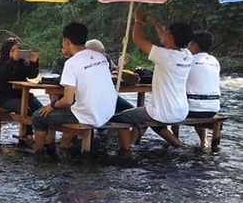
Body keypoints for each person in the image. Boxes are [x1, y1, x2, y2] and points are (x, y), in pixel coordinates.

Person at [112, 13, 194, 151]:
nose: (164, 35)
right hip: (181, 110)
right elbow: (165, 38)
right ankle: (134, 143)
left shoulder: (166, 56)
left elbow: (137, 40)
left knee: (120, 118)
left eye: (167, 33)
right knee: (147, 116)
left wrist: (138, 20)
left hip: (163, 112)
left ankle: (125, 151)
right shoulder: (187, 55)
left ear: (172, 37)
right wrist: (156, 24)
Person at [32, 22, 117, 154]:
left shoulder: (71, 63)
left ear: (66, 40)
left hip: (89, 114)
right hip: (108, 110)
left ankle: (39, 156)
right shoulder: (101, 57)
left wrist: (52, 105)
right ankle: (52, 143)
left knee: (38, 117)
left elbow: (67, 101)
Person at [0, 38, 41, 133]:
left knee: (41, 111)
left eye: (17, 50)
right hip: (6, 97)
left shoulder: (22, 62)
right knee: (26, 111)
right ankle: (27, 135)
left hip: (24, 95)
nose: (15, 53)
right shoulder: (0, 63)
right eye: (12, 50)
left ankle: (44, 136)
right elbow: (2, 75)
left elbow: (32, 75)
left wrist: (34, 63)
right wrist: (12, 60)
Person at [185, 31, 220, 148]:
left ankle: (176, 143)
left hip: (192, 110)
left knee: (166, 112)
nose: (187, 46)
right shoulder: (214, 61)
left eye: (189, 44)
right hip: (213, 109)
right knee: (199, 100)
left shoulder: (188, 60)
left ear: (194, 45)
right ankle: (204, 143)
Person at [85, 38, 134, 113]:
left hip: (110, 95)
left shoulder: (105, 58)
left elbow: (113, 71)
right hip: (96, 99)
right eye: (101, 52)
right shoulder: (83, 63)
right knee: (117, 113)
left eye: (103, 51)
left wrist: (120, 66)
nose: (103, 54)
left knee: (131, 110)